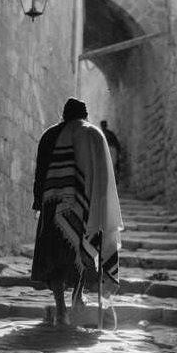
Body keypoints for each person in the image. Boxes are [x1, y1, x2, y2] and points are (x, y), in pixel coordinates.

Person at [31, 98, 124, 327]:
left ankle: (61, 309)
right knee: (83, 250)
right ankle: (78, 296)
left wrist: (38, 202)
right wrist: (102, 208)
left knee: (54, 257)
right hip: (86, 205)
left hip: (54, 206)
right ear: (85, 115)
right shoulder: (94, 135)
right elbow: (103, 179)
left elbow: (40, 173)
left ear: (63, 115)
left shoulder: (49, 135)